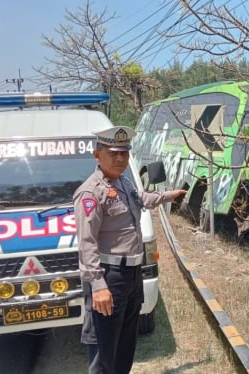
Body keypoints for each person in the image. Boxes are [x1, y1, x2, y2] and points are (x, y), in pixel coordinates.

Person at [73, 125, 186, 374]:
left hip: (132, 276)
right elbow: (87, 242)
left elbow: (143, 199)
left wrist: (169, 195)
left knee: (125, 345)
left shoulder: (124, 182)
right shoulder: (91, 193)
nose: (119, 159)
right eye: (113, 153)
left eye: (124, 153)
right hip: (109, 277)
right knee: (103, 349)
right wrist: (98, 286)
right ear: (97, 155)